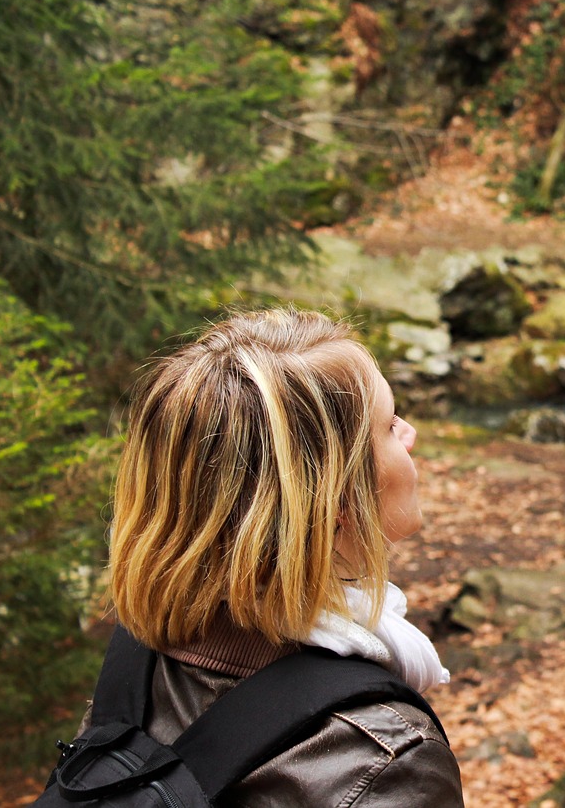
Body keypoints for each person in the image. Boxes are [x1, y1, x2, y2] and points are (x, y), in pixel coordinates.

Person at [99, 308, 464, 805]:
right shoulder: (386, 763)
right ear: (335, 499)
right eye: (388, 424)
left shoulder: (140, 654)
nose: (410, 434)